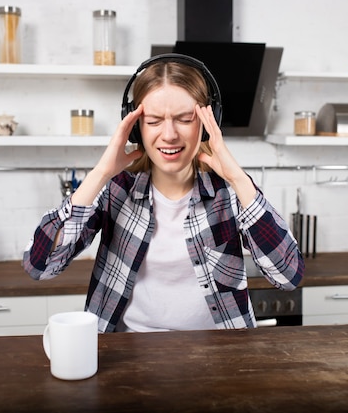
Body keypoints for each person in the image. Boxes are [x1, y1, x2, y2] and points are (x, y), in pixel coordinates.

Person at [23, 54, 304, 333]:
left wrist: (238, 178)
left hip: (220, 358)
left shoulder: (228, 192)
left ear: (207, 124)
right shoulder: (116, 189)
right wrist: (99, 174)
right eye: (154, 121)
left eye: (184, 119)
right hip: (128, 356)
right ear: (136, 128)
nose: (169, 135)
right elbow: (40, 265)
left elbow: (289, 275)